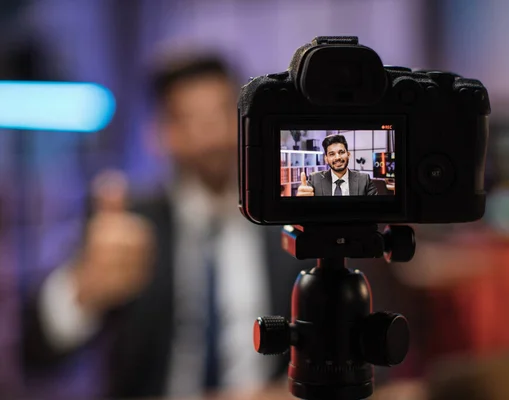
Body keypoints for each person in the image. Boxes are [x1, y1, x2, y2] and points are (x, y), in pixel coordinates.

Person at [21, 54, 311, 399]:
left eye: (222, 113)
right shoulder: (126, 224)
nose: (212, 133)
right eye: (190, 119)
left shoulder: (293, 222)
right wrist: (84, 288)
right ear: (161, 134)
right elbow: (37, 350)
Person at [297, 134, 378, 197]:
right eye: (331, 154)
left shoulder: (364, 180)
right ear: (326, 159)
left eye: (341, 152)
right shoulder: (315, 179)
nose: (337, 157)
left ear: (348, 154)